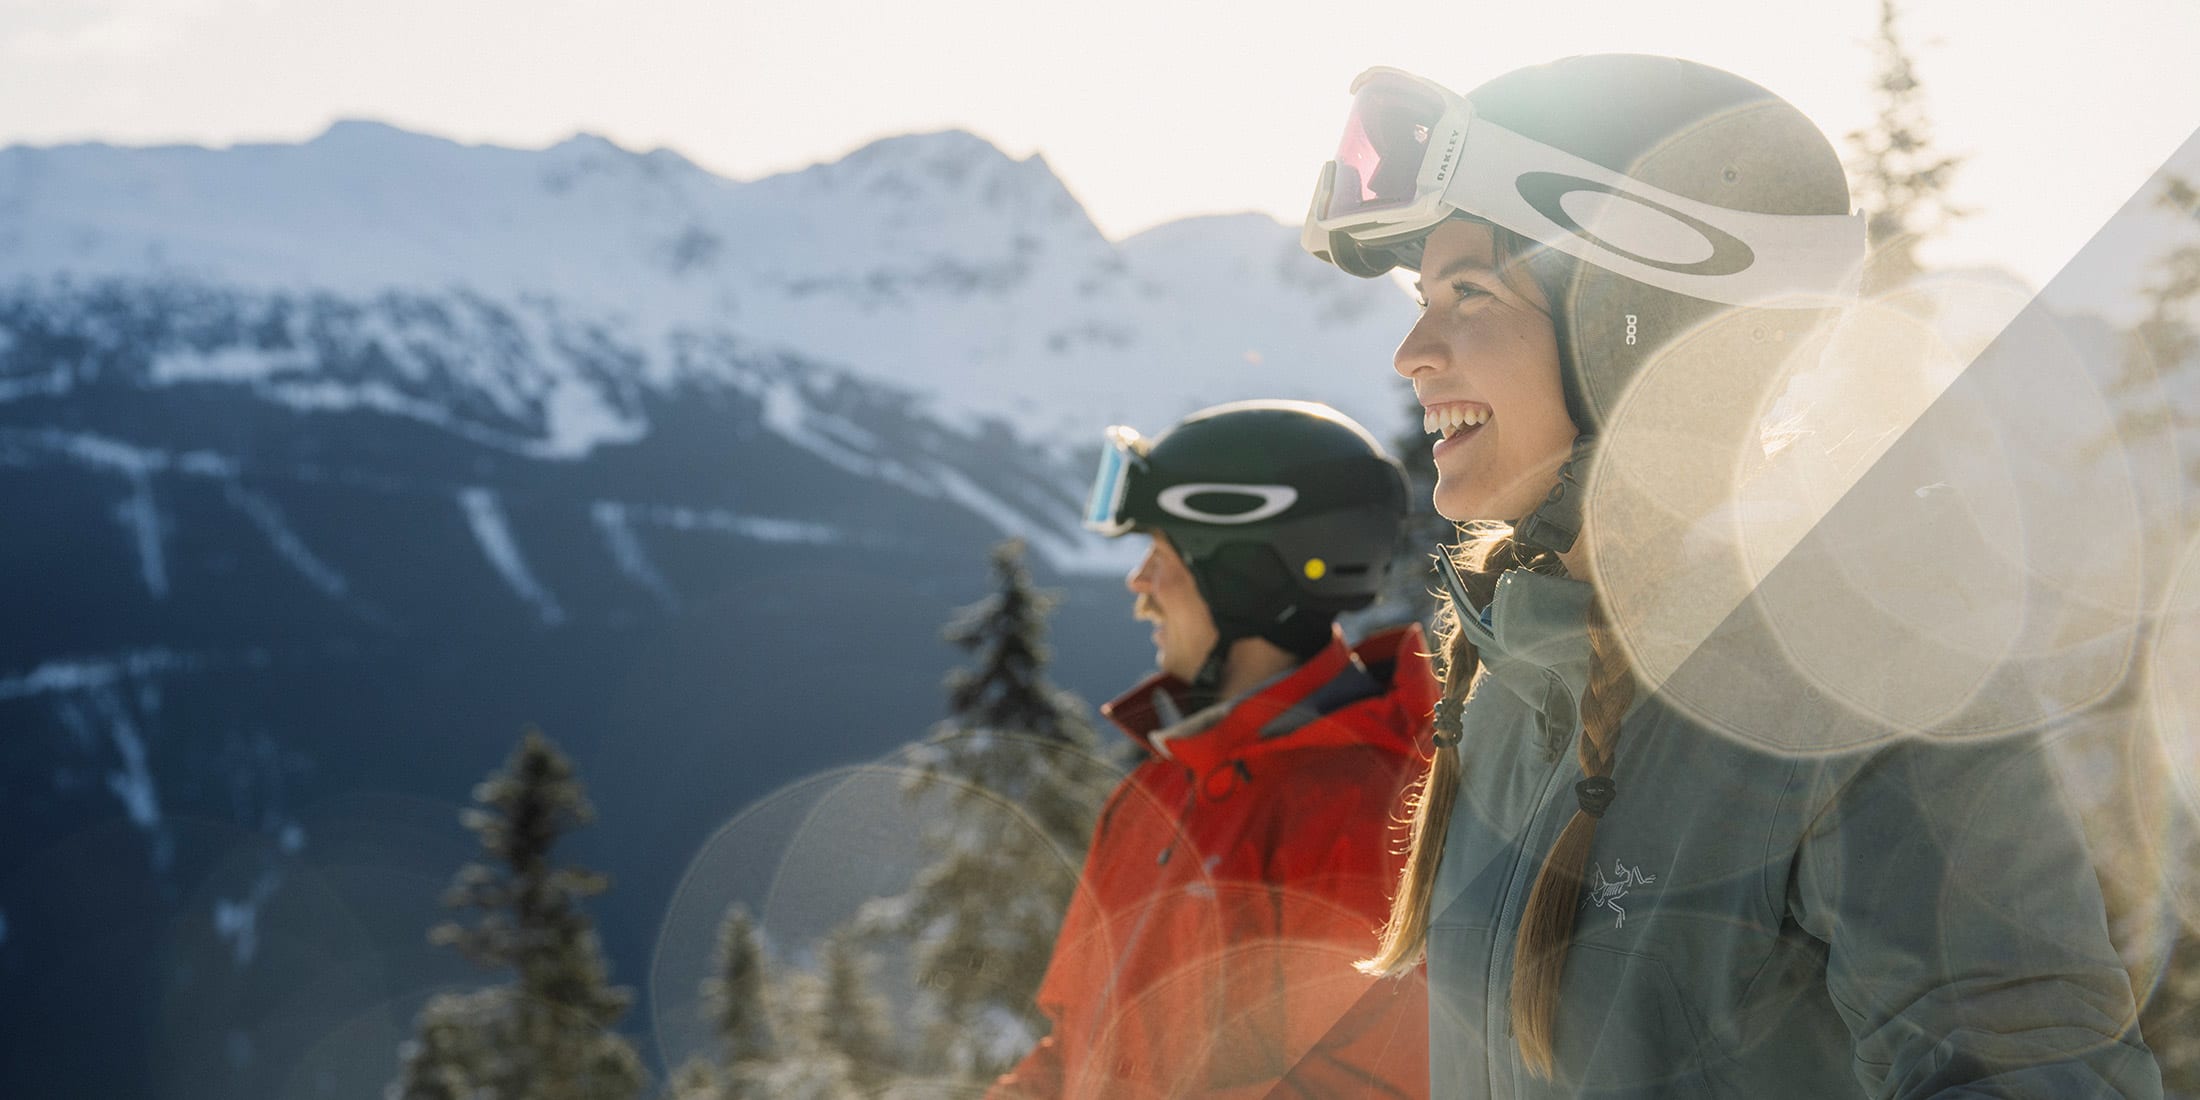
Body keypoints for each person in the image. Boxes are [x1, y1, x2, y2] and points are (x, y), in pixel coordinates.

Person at [1299, 56, 2166, 1096]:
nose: (1412, 351)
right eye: (1421, 297)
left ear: (1630, 325)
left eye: (1468, 294)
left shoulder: (1856, 681)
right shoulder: (1514, 681)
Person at [988, 399, 1435, 1099]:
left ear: (1246, 578)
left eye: (1160, 555)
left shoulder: (1370, 808)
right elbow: (1077, 1049)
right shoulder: (1153, 794)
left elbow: (1364, 1080)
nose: (1139, 588)